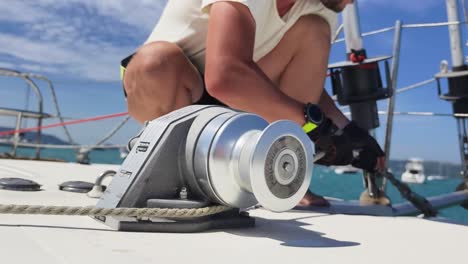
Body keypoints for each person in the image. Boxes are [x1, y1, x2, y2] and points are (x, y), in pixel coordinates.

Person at [121, 0, 385, 206]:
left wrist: (349, 132)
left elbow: (307, 88)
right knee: (154, 62)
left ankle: (279, 175)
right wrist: (312, 126)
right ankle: (176, 177)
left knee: (313, 29)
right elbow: (225, 77)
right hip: (171, 91)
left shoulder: (318, 7)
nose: (352, 4)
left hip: (241, 94)